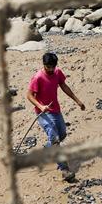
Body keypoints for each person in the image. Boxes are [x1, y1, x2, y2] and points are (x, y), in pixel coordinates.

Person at [26, 52, 86, 182]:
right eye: (49, 67)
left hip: (55, 110)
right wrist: (41, 106)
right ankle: (64, 170)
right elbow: (29, 95)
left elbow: (64, 86)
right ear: (44, 65)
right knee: (55, 140)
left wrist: (77, 101)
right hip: (43, 113)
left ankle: (48, 150)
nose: (51, 69)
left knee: (62, 134)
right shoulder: (38, 78)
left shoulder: (57, 73)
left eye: (53, 66)